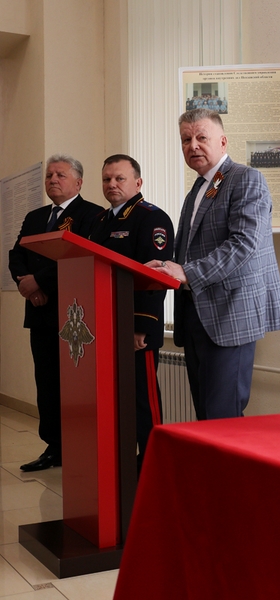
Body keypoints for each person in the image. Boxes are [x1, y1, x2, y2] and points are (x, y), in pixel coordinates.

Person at [148, 108, 280, 420]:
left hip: (230, 315)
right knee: (206, 416)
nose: (193, 145)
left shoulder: (246, 179)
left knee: (222, 416)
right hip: (195, 314)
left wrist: (186, 271)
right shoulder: (197, 189)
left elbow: (244, 245)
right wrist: (167, 264)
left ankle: (229, 472)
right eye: (186, 139)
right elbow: (189, 250)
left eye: (201, 137)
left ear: (222, 141)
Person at [8, 155, 104, 471]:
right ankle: (53, 447)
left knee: (76, 384)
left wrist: (40, 281)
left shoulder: (93, 216)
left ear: (78, 182)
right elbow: (17, 253)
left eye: (60, 174)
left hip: (74, 314)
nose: (52, 179)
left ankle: (81, 445)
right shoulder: (35, 216)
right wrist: (27, 285)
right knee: (46, 381)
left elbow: (80, 255)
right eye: (49, 175)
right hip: (39, 311)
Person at [89, 154, 174, 466]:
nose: (112, 184)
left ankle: (154, 466)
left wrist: (142, 326)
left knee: (142, 403)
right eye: (107, 179)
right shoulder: (99, 222)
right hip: (104, 326)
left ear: (137, 183)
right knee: (116, 402)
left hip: (135, 329)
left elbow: (156, 278)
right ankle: (124, 467)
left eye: (119, 178)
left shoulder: (151, 218)